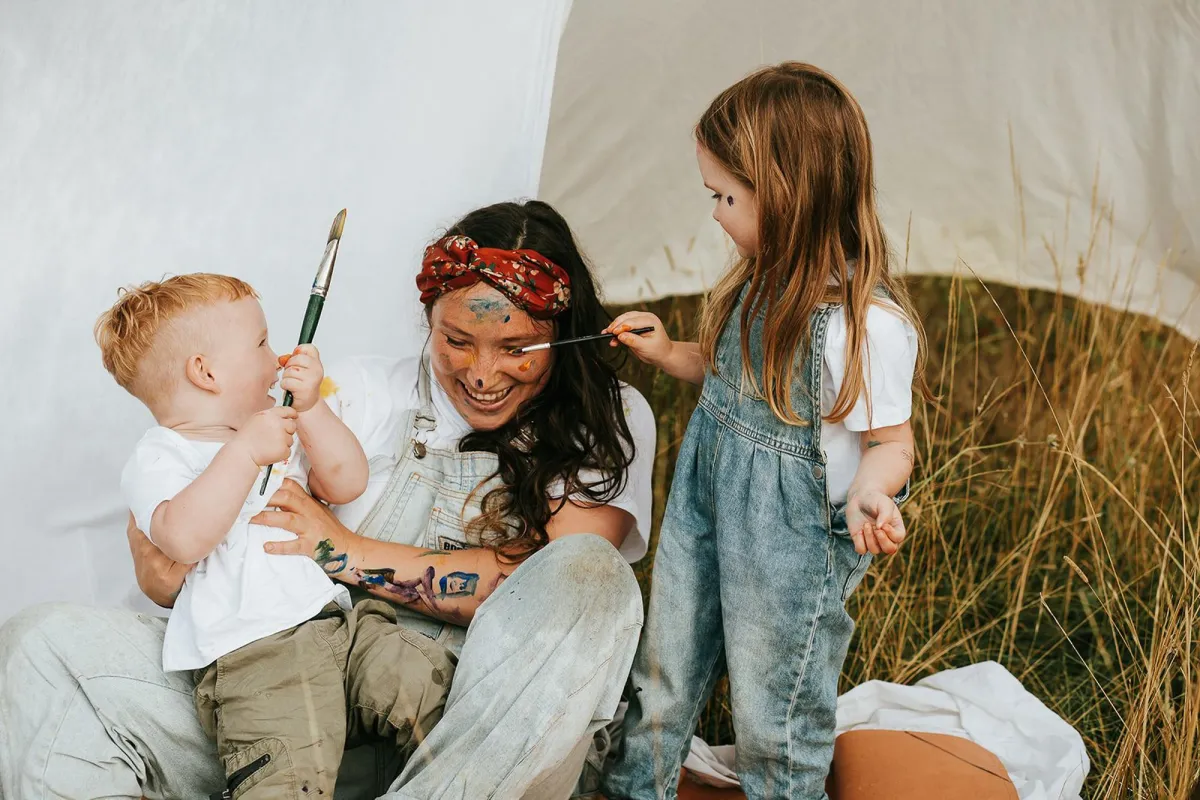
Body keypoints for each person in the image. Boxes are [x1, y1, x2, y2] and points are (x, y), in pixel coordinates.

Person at [0, 200, 655, 800]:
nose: (482, 374)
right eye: (457, 341)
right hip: (300, 715)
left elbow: (544, 596)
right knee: (43, 644)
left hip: (482, 732)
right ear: (427, 320)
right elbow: (194, 528)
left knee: (590, 574)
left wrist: (343, 551)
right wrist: (166, 549)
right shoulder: (363, 391)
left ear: (562, 331)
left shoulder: (609, 420)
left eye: (516, 348)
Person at [600, 62, 925, 800]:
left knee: (774, 705)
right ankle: (634, 789)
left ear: (787, 196)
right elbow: (723, 376)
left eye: (727, 197)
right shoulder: (760, 277)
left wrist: (871, 494)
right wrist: (665, 352)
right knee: (665, 664)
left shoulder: (863, 326)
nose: (715, 213)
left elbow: (891, 443)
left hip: (792, 539)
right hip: (705, 503)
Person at [93, 274, 449, 797]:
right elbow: (183, 539)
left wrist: (312, 411)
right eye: (261, 342)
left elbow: (347, 481)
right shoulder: (160, 456)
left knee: (420, 675)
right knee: (287, 778)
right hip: (258, 659)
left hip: (338, 625)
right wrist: (242, 455)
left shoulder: (272, 424)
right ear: (206, 372)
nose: (276, 355)